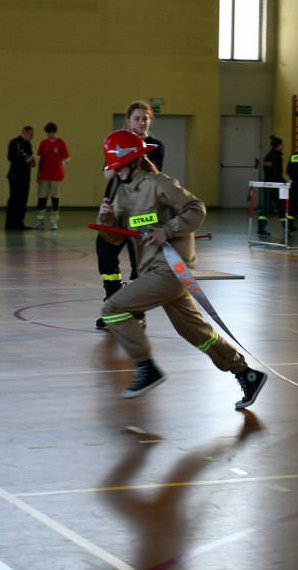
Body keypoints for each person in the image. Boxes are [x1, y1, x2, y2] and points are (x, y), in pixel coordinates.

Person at [96, 129, 267, 410]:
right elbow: (116, 238)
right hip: (154, 272)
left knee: (112, 309)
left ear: (135, 161)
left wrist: (167, 230)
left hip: (171, 270)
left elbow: (196, 208)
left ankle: (146, 368)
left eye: (119, 166)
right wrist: (105, 217)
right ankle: (246, 373)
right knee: (196, 332)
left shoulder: (159, 184)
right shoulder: (124, 194)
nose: (116, 172)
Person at [95, 101, 163, 330]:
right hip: (117, 208)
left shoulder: (155, 146)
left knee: (139, 262)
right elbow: (108, 175)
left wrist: (136, 150)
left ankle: (135, 310)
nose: (141, 122)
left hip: (143, 212)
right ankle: (113, 302)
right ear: (128, 121)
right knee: (105, 252)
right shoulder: (118, 143)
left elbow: (149, 173)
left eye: (145, 118)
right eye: (137, 118)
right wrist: (118, 155)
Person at [31, 122, 71, 230]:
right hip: (44, 175)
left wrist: (64, 162)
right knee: (42, 198)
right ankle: (40, 220)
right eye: (47, 133)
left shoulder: (61, 143)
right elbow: (41, 160)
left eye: (50, 133)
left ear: (55, 132)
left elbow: (68, 157)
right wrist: (38, 174)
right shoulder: (43, 143)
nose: (49, 135)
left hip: (56, 175)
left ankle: (53, 221)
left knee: (55, 198)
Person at [5, 126, 36, 230]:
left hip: (25, 176)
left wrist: (32, 162)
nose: (33, 136)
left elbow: (28, 157)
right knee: (14, 199)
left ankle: (19, 222)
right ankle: (10, 223)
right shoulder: (15, 142)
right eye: (31, 134)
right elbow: (11, 157)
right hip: (15, 176)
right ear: (25, 132)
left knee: (23, 200)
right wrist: (24, 161)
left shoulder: (28, 144)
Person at [257, 135, 285, 236]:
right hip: (275, 185)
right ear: (278, 145)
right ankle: (287, 229)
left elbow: (268, 171)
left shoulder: (268, 156)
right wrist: (281, 182)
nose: (283, 146)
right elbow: (276, 172)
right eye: (282, 144)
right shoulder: (277, 157)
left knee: (266, 207)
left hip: (267, 184)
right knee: (281, 207)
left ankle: (260, 229)